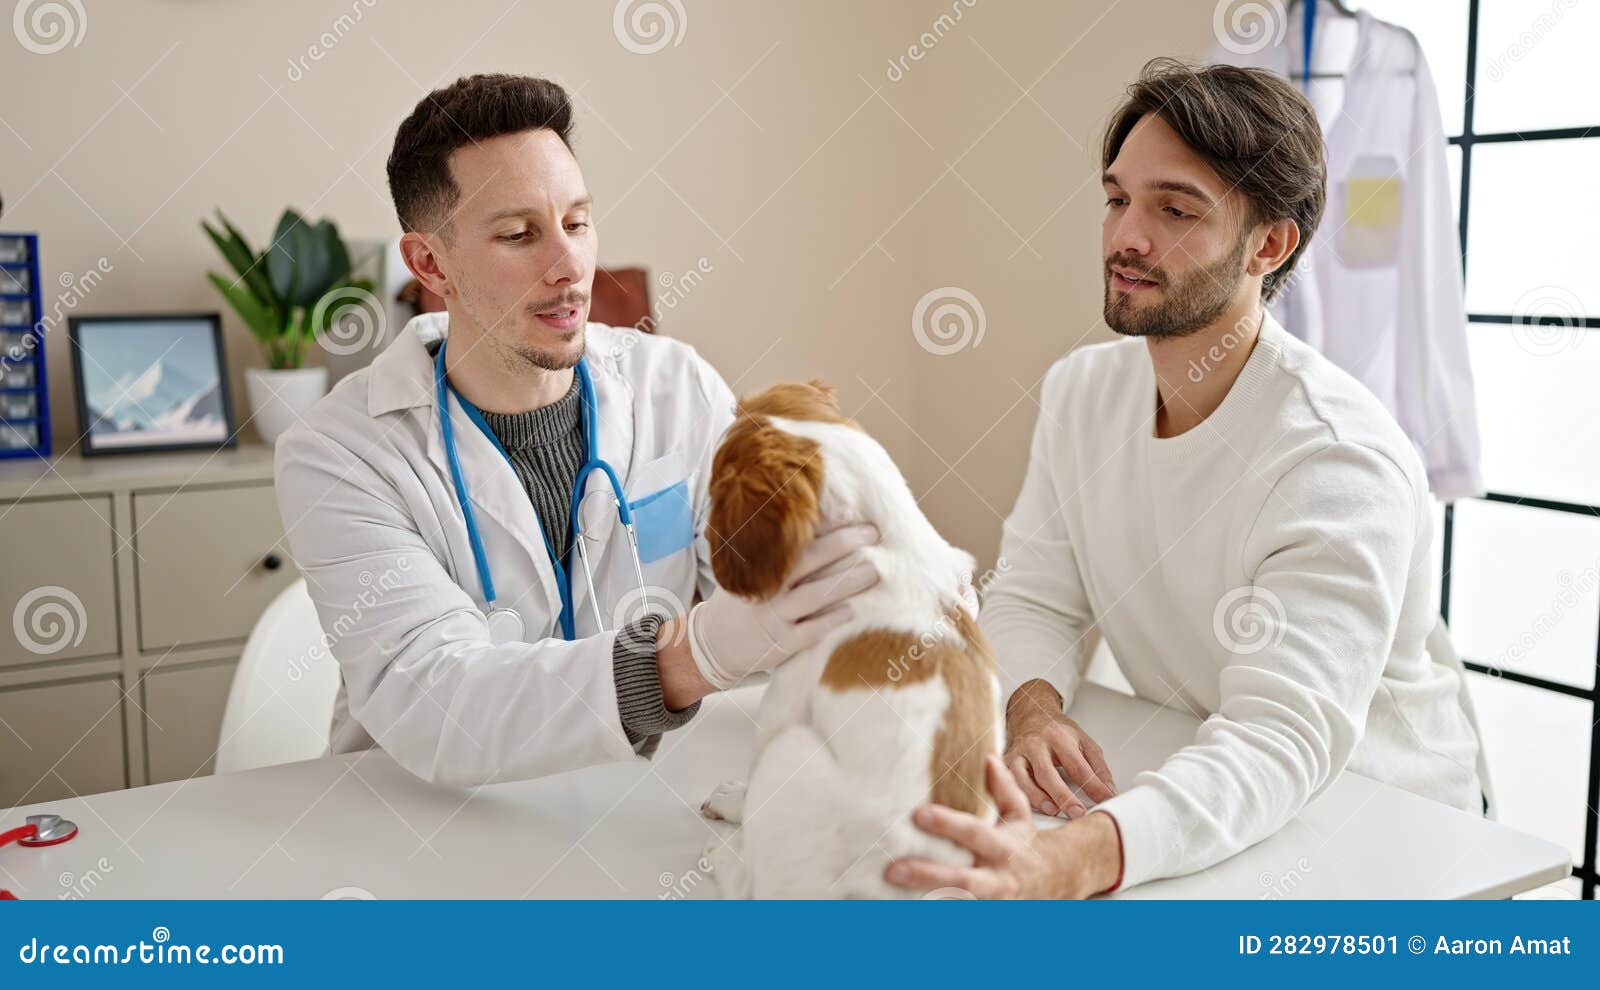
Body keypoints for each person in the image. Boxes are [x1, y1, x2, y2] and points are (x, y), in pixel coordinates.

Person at [886, 58, 1482, 898]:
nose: (1127, 237)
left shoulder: (1336, 458)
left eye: (1174, 209)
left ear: (1269, 245)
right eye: (1118, 198)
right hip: (1216, 787)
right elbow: (1034, 594)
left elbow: (1281, 737)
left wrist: (1076, 858)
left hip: (1390, 833)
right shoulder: (1082, 391)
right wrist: (1032, 709)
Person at [273, 74, 881, 787]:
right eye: (518, 235)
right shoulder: (341, 454)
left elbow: (773, 577)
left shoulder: (674, 387)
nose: (568, 267)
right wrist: (693, 657)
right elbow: (436, 701)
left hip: (637, 799)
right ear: (431, 263)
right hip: (423, 825)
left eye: (578, 223)